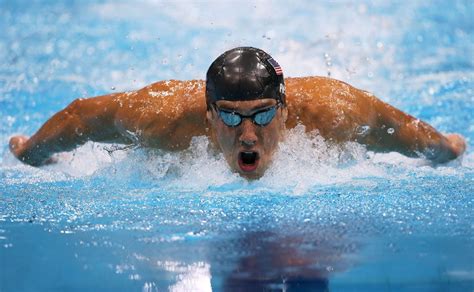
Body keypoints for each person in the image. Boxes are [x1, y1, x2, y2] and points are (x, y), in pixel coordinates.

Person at [9, 47, 466, 179]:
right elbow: (82, 117)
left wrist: (446, 147)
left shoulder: (332, 111)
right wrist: (31, 150)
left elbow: (401, 128)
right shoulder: (163, 117)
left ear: (286, 112)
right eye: (229, 117)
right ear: (208, 117)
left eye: (264, 115)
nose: (248, 134)